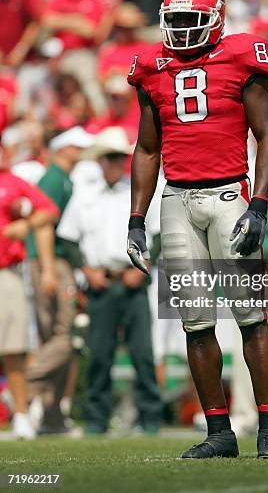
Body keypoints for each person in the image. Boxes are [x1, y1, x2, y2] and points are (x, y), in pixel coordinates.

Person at [127, 0, 268, 459]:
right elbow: (148, 147)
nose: (181, 30)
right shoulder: (150, 67)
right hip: (177, 201)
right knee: (195, 322)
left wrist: (259, 202)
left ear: (216, 18)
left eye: (190, 20)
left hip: (229, 196)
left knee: (250, 317)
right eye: (173, 21)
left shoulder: (242, 56)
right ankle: (220, 432)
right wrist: (136, 217)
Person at [57, 127, 162, 435]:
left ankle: (150, 418)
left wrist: (144, 265)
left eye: (119, 157)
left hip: (133, 279)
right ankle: (96, 419)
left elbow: (157, 236)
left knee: (143, 353)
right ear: (101, 161)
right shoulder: (85, 195)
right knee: (99, 354)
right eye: (110, 158)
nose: (116, 163)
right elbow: (69, 239)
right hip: (101, 280)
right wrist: (85, 270)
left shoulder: (139, 191)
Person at [25, 126, 94, 434]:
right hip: (50, 261)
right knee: (66, 334)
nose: (80, 152)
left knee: (57, 332)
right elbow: (43, 225)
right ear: (64, 148)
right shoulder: (54, 179)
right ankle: (25, 379)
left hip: (52, 261)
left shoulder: (62, 178)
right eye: (76, 147)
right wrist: (50, 268)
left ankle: (51, 415)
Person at [0, 144, 58, 439]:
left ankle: (21, 414)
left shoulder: (12, 181)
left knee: (13, 348)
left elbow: (48, 210)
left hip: (5, 272)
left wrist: (24, 225)